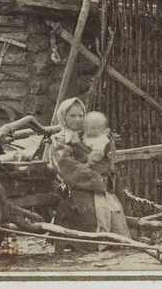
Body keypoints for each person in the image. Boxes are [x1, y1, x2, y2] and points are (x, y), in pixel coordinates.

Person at [49, 99, 131, 252]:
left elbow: (106, 158)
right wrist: (99, 179)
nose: (77, 120)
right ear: (63, 117)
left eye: (81, 115)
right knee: (91, 219)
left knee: (117, 219)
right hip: (78, 190)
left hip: (101, 188)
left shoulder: (88, 136)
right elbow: (70, 169)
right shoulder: (59, 142)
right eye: (72, 116)